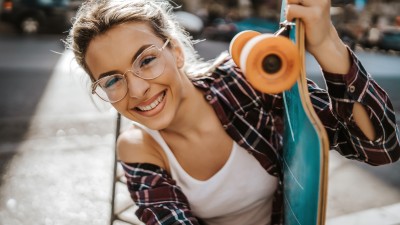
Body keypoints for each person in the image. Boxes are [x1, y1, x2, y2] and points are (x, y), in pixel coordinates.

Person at [66, 0, 400, 224]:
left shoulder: (245, 83)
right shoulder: (139, 147)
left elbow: (380, 147)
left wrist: (326, 41)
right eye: (112, 80)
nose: (137, 90)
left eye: (147, 60)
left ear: (177, 53)